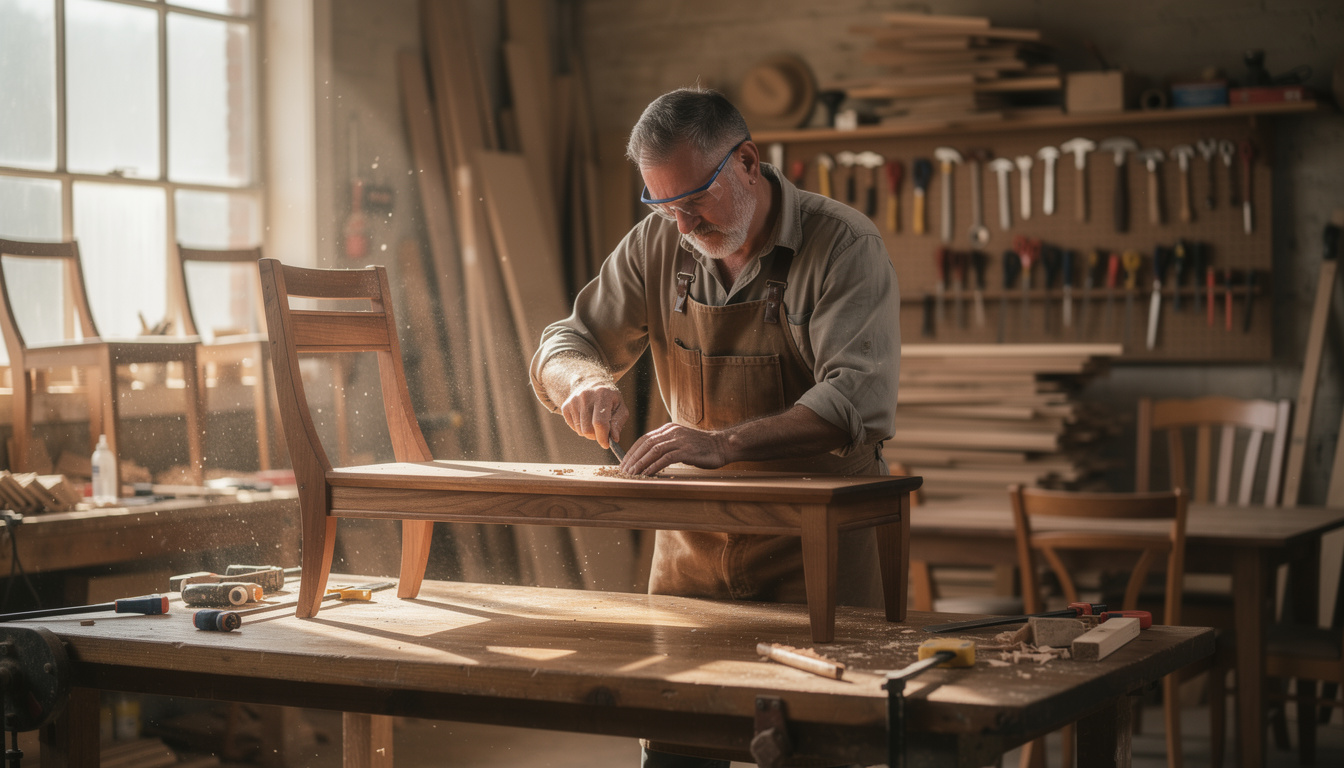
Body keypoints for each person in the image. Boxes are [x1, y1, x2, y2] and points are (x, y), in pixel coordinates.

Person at [529, 87, 899, 766]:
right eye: (662, 206)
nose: (681, 224)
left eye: (694, 200)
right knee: (676, 746)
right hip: (692, 557)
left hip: (811, 557)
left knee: (815, 746)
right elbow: (567, 337)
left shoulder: (841, 244)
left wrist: (722, 443)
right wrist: (582, 382)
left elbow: (857, 399)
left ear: (749, 162)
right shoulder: (658, 245)